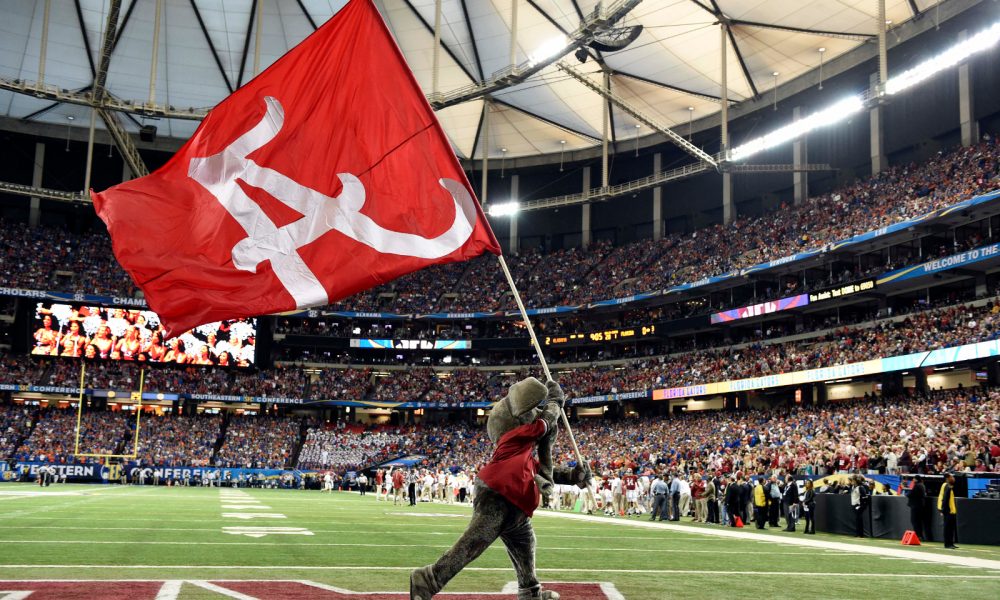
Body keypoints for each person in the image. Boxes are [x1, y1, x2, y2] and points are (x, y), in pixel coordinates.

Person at [938, 473, 959, 549]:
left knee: (950, 528)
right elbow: (945, 499)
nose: (953, 478)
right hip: (948, 511)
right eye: (951, 477)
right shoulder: (947, 486)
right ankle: (948, 544)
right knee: (948, 528)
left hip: (951, 511)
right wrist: (943, 510)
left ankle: (951, 543)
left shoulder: (946, 485)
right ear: (948, 478)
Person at [908, 475, 927, 541]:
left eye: (914, 478)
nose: (913, 480)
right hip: (920, 506)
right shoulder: (922, 485)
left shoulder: (917, 486)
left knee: (915, 521)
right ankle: (920, 536)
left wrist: (907, 494)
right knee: (919, 522)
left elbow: (911, 494)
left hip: (915, 506)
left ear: (916, 479)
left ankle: (918, 536)